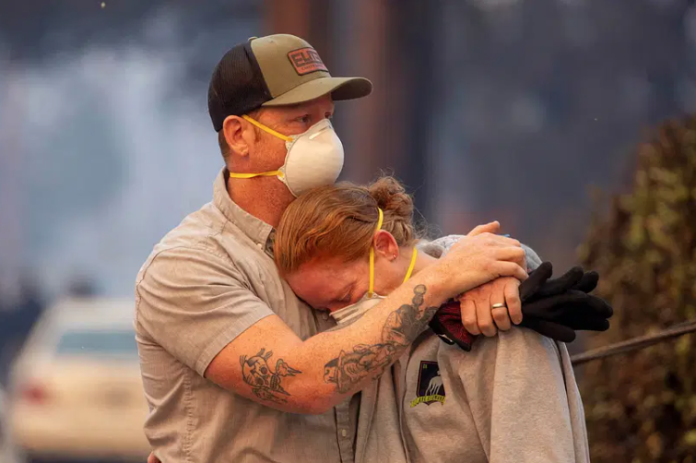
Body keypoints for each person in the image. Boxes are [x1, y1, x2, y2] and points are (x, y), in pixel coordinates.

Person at [136, 34, 529, 463]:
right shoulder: (186, 265)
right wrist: (445, 279)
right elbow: (303, 382)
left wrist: (491, 269)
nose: (323, 136)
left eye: (328, 118)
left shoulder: (334, 226)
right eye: (302, 120)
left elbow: (413, 255)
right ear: (239, 135)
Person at [273, 176, 591, 463]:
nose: (341, 316)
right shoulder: (370, 349)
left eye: (345, 296)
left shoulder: (498, 314)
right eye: (325, 311)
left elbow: (536, 451)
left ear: (385, 246)